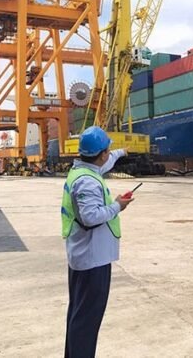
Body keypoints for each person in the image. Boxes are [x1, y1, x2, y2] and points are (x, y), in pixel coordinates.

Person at [61, 126, 132, 358]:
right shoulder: (88, 181)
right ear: (100, 154)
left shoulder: (83, 170)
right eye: (108, 151)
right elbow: (90, 218)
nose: (109, 154)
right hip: (92, 260)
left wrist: (122, 152)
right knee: (87, 322)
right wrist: (117, 206)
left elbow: (107, 161)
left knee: (79, 315)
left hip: (83, 257)